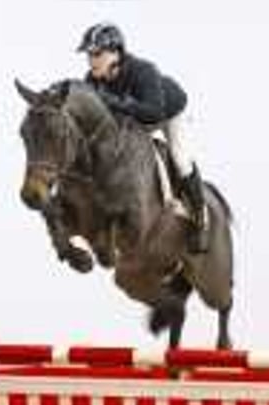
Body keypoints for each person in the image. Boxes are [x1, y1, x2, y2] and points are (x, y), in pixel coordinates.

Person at [77, 22, 209, 253]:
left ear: (116, 52)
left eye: (97, 53)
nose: (92, 60)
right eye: (89, 54)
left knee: (180, 158)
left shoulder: (143, 71)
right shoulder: (92, 79)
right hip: (135, 119)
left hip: (168, 113)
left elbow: (153, 112)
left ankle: (201, 218)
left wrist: (114, 103)